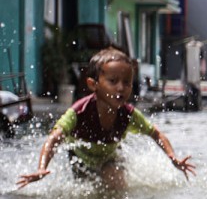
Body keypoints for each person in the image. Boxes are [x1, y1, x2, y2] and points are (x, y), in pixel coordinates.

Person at [17, 47, 196, 190]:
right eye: (113, 81)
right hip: (80, 160)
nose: (121, 88)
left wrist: (172, 157)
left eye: (127, 83)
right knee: (87, 197)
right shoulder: (79, 112)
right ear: (93, 84)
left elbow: (156, 133)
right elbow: (53, 139)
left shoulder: (129, 114)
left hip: (110, 158)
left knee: (116, 184)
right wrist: (41, 168)